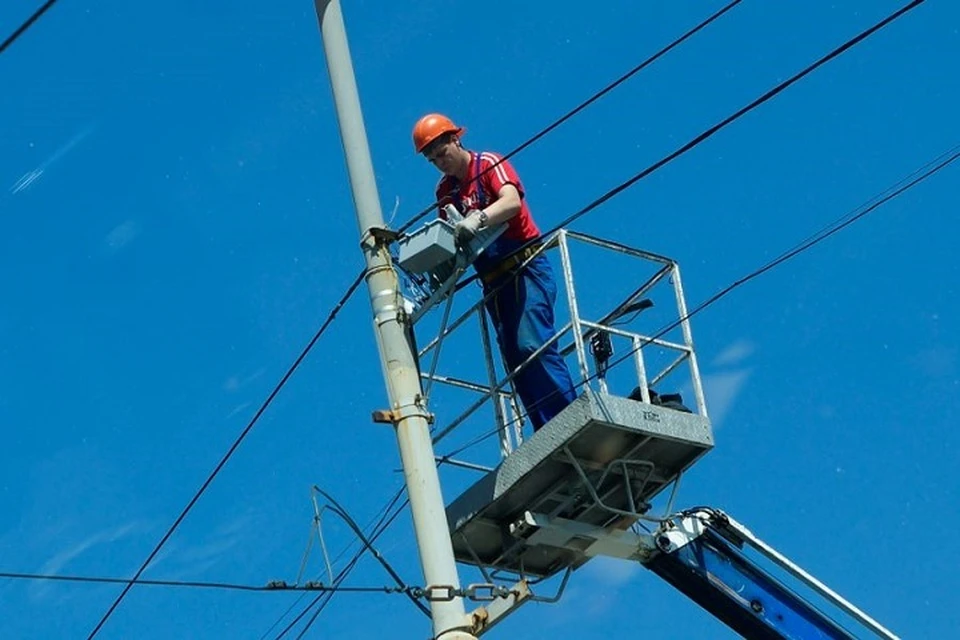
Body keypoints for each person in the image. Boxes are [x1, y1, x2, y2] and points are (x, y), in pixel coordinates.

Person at [412, 113, 577, 431]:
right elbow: (451, 236)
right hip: (494, 282)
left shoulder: (487, 163)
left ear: (455, 140)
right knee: (515, 359)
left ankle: (569, 418)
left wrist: (478, 219)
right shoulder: (445, 192)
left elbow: (511, 202)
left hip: (526, 267)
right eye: (432, 160)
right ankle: (546, 428)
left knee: (533, 345)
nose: (440, 162)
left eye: (442, 153)